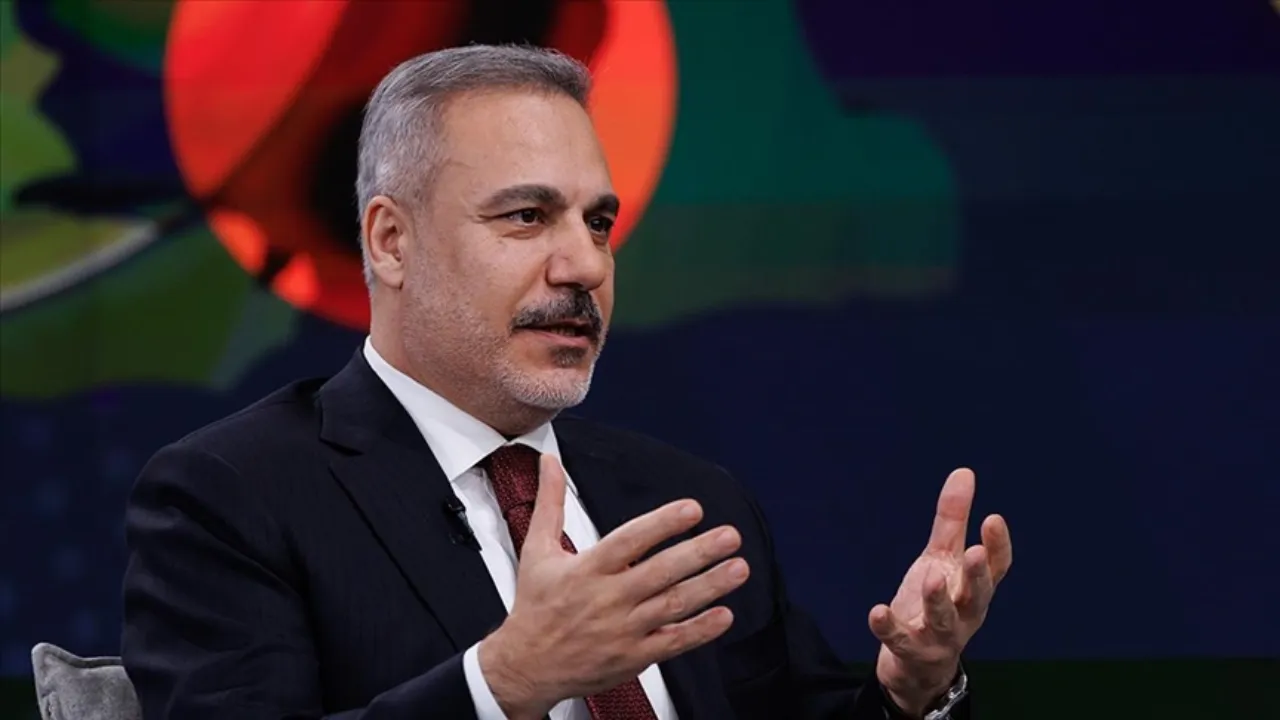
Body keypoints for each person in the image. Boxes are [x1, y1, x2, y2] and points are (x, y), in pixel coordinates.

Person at [121, 45, 1012, 720]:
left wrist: (913, 692)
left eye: (599, 223)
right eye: (527, 216)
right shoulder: (234, 495)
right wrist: (505, 682)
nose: (585, 265)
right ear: (392, 242)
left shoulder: (686, 502)